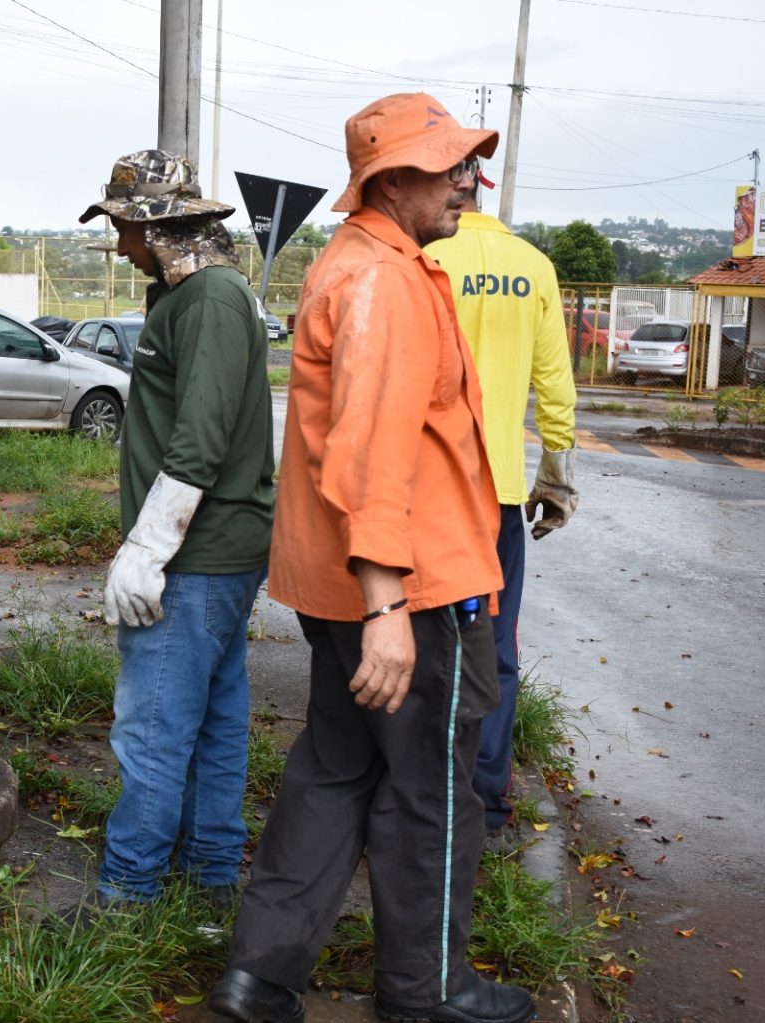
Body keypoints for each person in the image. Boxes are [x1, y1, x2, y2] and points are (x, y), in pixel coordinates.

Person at [207, 93, 534, 1023]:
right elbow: (369, 452)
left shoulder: (359, 264)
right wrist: (390, 606)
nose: (468, 180)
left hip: (353, 583)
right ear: (392, 180)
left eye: (467, 162)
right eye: (449, 165)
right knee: (431, 790)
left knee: (334, 769)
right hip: (407, 592)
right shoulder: (384, 282)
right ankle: (426, 990)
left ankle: (257, 978)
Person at [76, 150, 274, 906]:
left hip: (198, 556)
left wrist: (148, 548)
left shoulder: (212, 301)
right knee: (215, 720)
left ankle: (128, 894)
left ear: (155, 226)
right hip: (215, 552)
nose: (121, 247)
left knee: (154, 727)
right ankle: (211, 879)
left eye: (124, 229)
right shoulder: (185, 297)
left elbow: (201, 438)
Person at [425, 186, 578, 849]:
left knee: (425, 641)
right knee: (498, 645)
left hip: (431, 491)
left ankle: (423, 788)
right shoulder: (534, 265)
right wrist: (556, 475)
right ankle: (484, 801)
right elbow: (555, 381)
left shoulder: (430, 255)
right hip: (503, 497)